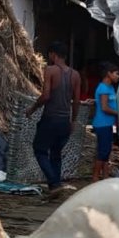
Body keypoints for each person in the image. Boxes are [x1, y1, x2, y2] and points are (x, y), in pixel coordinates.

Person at [26, 41, 82, 197]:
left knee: (40, 150)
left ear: (53, 54)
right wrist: (73, 120)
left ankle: (54, 182)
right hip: (65, 120)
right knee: (56, 154)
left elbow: (46, 95)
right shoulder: (75, 75)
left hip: (50, 118)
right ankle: (54, 188)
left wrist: (32, 108)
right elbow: (76, 101)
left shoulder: (50, 70)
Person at [91, 61, 119, 181]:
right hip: (102, 123)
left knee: (106, 151)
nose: (118, 76)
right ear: (109, 74)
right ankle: (96, 177)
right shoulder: (103, 88)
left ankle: (105, 176)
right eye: (116, 74)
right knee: (103, 151)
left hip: (108, 124)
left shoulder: (111, 87)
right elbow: (104, 107)